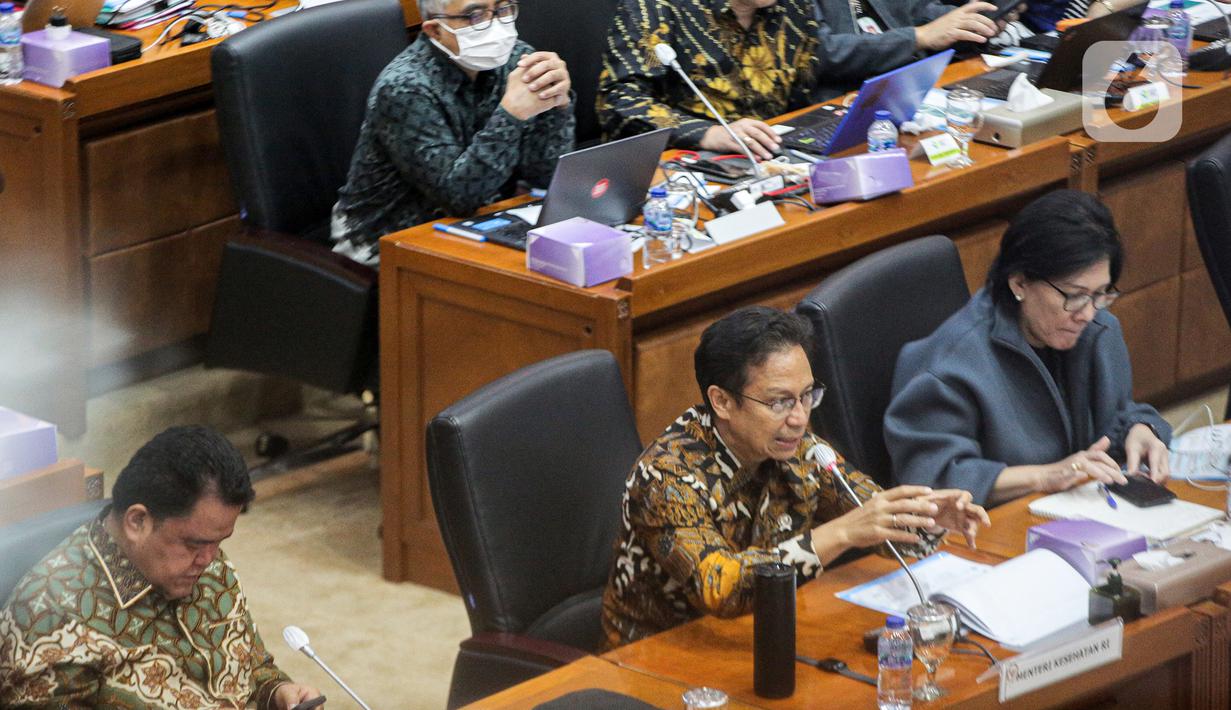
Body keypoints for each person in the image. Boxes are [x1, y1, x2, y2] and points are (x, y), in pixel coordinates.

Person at [601, 306, 990, 648]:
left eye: (807, 395)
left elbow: (872, 515)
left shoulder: (801, 451)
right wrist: (842, 532)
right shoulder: (667, 475)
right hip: (656, 659)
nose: (800, 418)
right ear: (722, 401)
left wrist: (927, 518)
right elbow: (720, 587)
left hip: (765, 635)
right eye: (779, 402)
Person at [884, 190, 1172, 507]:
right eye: (1074, 295)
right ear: (1019, 283)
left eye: (1101, 294)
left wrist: (1140, 429)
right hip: (988, 524)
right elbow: (930, 481)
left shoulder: (1097, 332)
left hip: (1079, 512)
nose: (1088, 313)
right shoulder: (950, 365)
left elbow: (1115, 416)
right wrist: (1044, 476)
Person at [0, 426, 321, 709]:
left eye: (219, 542)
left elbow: (252, 667)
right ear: (137, 521)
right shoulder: (52, 621)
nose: (210, 559)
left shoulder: (206, 565)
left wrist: (277, 692)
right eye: (194, 544)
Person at [331, 0, 575, 265]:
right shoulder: (405, 88)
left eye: (502, 9)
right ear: (435, 30)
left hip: (481, 222)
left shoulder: (515, 60)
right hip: (387, 242)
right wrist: (511, 115)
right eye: (475, 15)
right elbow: (459, 197)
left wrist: (556, 107)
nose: (495, 24)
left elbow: (545, 176)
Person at [596, 0, 823, 160]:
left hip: (772, 153)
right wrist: (707, 133)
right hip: (683, 163)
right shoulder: (658, 9)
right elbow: (621, 99)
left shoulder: (795, 7)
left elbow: (801, 95)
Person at [812, 0, 1004, 100]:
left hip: (913, 86)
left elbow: (924, 13)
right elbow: (822, 52)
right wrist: (917, 37)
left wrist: (975, 22)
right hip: (845, 97)